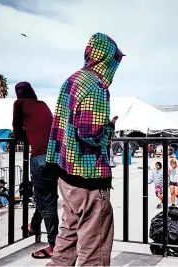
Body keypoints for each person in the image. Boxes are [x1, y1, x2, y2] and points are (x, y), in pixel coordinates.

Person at [45, 33, 124, 266]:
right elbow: (89, 132)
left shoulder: (72, 80)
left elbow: (62, 126)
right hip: (87, 179)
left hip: (66, 175)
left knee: (67, 237)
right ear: (107, 59)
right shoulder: (97, 87)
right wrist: (109, 128)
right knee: (94, 249)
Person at [12, 81, 59, 259]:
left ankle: (54, 245)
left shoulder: (19, 104)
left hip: (40, 157)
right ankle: (34, 225)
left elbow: (17, 132)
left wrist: (26, 137)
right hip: (56, 158)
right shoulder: (43, 105)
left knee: (47, 202)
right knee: (46, 195)